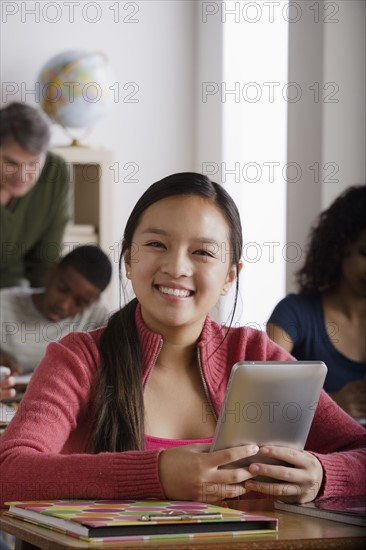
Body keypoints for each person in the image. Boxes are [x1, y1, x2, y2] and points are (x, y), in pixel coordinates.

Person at [0, 173, 365, 508]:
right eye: (157, 243)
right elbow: (10, 472)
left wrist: (322, 475)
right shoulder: (78, 359)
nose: (176, 267)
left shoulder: (258, 355)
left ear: (229, 275)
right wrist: (157, 474)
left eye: (202, 252)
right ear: (128, 259)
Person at [267, 185, 366, 421]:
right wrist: (332, 404)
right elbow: (262, 398)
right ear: (341, 248)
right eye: (365, 253)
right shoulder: (294, 314)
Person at [0, 245, 112, 376]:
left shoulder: (97, 315)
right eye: (62, 289)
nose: (63, 305)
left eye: (79, 302)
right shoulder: (4, 305)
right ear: (52, 271)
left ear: (93, 301)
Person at [0, 102, 70, 289]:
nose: (22, 176)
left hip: (18, 296)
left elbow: (45, 262)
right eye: (11, 163)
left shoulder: (56, 173)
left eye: (32, 164)